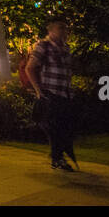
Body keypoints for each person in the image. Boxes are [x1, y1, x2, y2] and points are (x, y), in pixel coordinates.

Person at [27, 18, 78, 171]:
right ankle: (58, 158)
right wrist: (38, 90)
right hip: (51, 93)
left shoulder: (65, 47)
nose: (64, 32)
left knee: (66, 127)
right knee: (55, 127)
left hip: (65, 93)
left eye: (65, 29)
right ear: (51, 31)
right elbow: (30, 68)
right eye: (60, 28)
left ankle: (57, 156)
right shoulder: (44, 46)